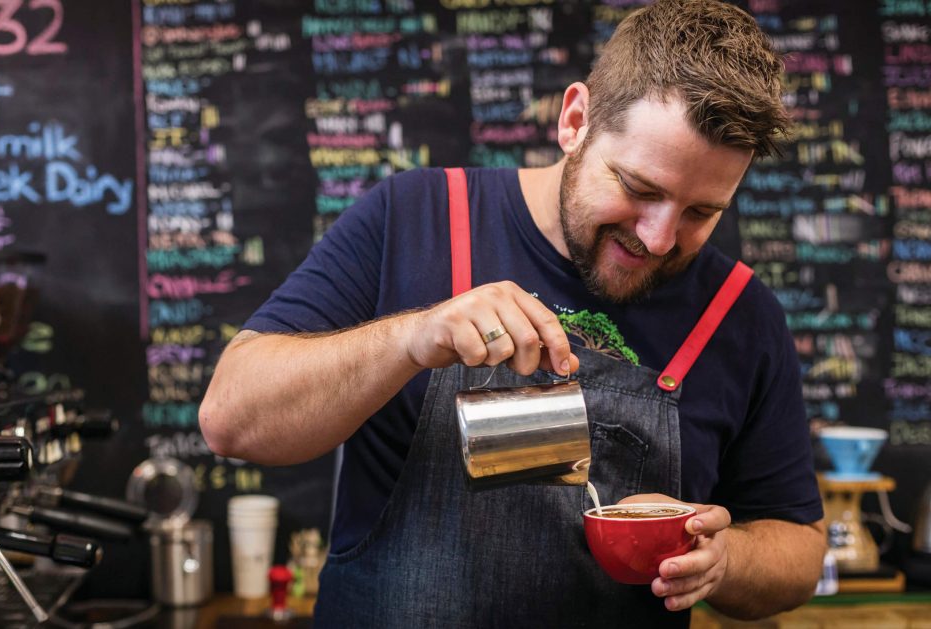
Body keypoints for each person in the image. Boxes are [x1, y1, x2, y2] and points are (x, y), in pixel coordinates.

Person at [200, 0, 826, 626]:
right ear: (576, 119)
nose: (659, 239)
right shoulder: (415, 218)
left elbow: (799, 546)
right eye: (640, 190)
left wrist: (729, 559)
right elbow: (231, 420)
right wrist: (410, 339)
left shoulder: (740, 314)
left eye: (701, 213)